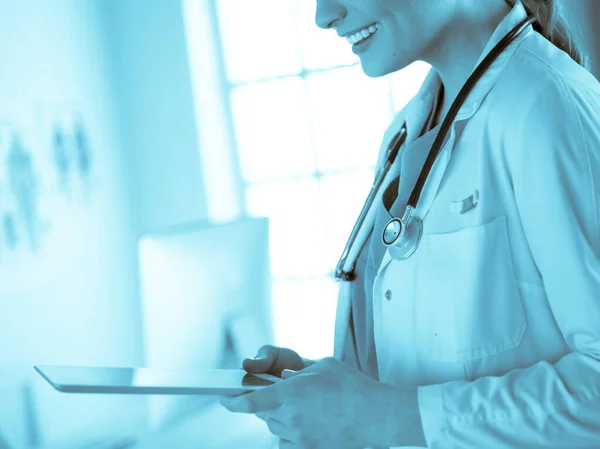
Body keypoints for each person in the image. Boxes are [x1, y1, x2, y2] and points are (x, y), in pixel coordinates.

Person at [220, 0, 600, 447]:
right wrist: (333, 399)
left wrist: (386, 415)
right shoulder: (407, 132)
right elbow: (421, 390)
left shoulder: (547, 106)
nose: (324, 15)